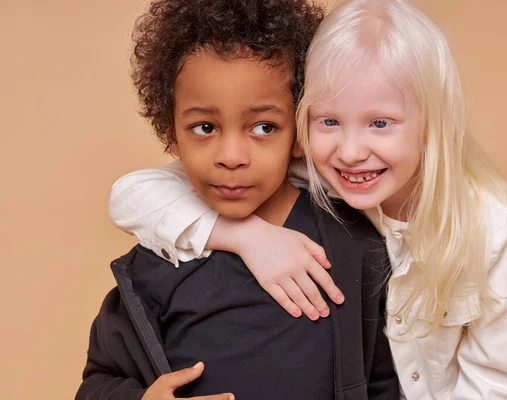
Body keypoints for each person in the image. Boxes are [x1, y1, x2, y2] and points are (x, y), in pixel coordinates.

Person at [110, 0, 507, 398]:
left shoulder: (487, 227)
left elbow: (501, 386)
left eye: (380, 123)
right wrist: (246, 236)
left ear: (433, 122)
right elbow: (132, 195)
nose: (351, 151)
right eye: (329, 120)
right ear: (303, 123)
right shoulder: (312, 170)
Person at [76, 0, 400, 399]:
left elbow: (385, 379)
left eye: (264, 126)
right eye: (205, 126)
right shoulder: (160, 256)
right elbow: (99, 382)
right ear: (171, 132)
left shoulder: (355, 242)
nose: (231, 156)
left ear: (300, 130)